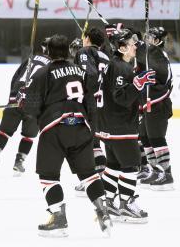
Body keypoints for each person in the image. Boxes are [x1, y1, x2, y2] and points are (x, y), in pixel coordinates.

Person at [24, 35, 111, 237]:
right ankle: (103, 210)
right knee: (89, 174)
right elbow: (90, 102)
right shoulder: (81, 71)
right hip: (81, 126)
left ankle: (59, 218)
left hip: (56, 129)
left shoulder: (43, 73)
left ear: (48, 52)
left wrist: (25, 97)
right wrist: (91, 129)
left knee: (48, 176)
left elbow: (31, 109)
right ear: (68, 51)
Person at [98, 29, 152, 223]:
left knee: (113, 165)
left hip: (110, 126)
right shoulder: (121, 67)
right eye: (131, 43)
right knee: (130, 164)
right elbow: (121, 97)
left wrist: (137, 82)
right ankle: (126, 204)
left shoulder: (116, 65)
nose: (135, 46)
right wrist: (137, 85)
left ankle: (109, 203)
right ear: (121, 48)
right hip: (120, 126)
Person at [0, 45, 50, 174]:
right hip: (34, 105)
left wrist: (13, 96)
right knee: (28, 136)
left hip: (16, 97)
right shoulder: (53, 65)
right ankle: (19, 162)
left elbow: (16, 76)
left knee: (4, 131)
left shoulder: (31, 58)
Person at [72, 28, 110, 195]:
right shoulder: (106, 57)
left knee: (84, 144)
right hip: (103, 106)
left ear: (87, 38)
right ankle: (99, 177)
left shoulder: (84, 51)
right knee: (95, 143)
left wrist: (80, 96)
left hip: (89, 104)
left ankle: (91, 179)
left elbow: (89, 74)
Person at [136, 27, 173, 190]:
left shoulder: (159, 55)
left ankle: (167, 174)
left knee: (156, 138)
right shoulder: (148, 55)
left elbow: (164, 77)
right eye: (147, 37)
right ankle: (156, 170)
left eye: (151, 38)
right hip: (147, 103)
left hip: (158, 103)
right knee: (145, 137)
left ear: (158, 41)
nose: (147, 40)